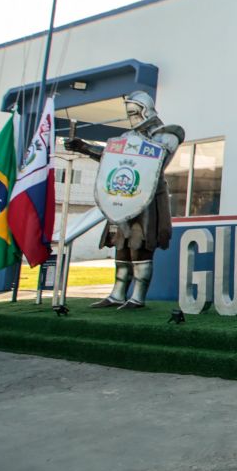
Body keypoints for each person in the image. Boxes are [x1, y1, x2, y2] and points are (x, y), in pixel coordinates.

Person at [66, 91, 184, 309]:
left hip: (147, 198)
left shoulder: (165, 135)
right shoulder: (127, 137)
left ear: (145, 110)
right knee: (121, 247)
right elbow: (112, 156)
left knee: (141, 246)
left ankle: (138, 297)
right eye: (129, 113)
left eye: (134, 112)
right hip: (122, 198)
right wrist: (84, 147)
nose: (132, 117)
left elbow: (154, 161)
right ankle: (117, 294)